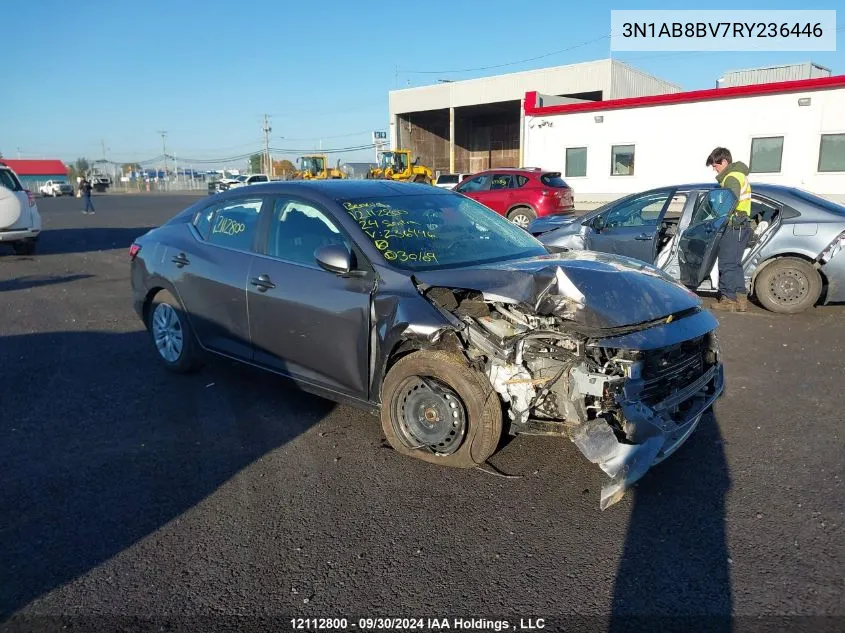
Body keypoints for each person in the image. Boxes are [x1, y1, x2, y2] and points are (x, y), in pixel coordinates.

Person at [705, 147, 751, 312]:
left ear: (724, 162)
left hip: (734, 225)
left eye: (715, 165)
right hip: (741, 225)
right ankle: (741, 299)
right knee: (735, 264)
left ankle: (728, 299)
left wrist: (717, 215)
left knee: (726, 263)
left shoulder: (731, 178)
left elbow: (729, 203)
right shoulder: (739, 175)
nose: (714, 168)